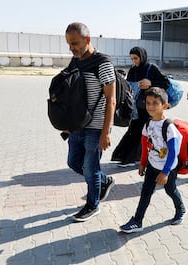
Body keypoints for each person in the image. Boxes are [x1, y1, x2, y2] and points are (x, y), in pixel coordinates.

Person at [64, 22, 116, 222]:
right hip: (77, 125)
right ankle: (104, 181)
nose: (72, 48)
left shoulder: (102, 63)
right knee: (73, 162)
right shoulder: (75, 61)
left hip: (96, 128)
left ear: (87, 40)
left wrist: (106, 132)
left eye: (75, 43)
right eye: (69, 44)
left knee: (91, 167)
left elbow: (111, 99)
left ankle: (92, 205)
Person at [120, 87, 186, 233]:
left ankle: (181, 209)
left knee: (171, 190)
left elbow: (173, 152)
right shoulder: (148, 124)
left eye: (155, 103)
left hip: (168, 168)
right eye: (148, 103)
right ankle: (137, 221)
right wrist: (143, 163)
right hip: (152, 165)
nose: (150, 106)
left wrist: (165, 172)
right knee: (145, 193)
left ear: (165, 106)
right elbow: (145, 146)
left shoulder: (169, 127)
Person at [111, 47, 169, 167]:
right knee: (134, 131)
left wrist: (150, 83)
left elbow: (165, 83)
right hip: (136, 108)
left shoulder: (152, 68)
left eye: (136, 58)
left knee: (139, 132)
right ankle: (132, 157)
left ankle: (130, 158)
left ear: (142, 56)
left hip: (149, 107)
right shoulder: (133, 69)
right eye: (132, 59)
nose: (134, 61)